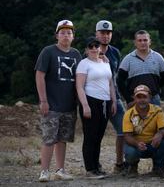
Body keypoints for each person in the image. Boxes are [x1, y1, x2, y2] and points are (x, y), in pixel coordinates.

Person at [35, 20, 82, 182]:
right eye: (62, 32)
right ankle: (44, 171)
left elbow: (80, 79)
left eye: (69, 33)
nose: (66, 35)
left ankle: (60, 170)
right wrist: (43, 100)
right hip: (51, 103)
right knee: (49, 138)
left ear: (73, 36)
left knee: (62, 138)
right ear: (57, 35)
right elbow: (39, 75)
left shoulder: (76, 54)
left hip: (69, 104)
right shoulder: (48, 52)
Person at [76, 37, 117, 178]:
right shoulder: (84, 64)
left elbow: (110, 83)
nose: (94, 49)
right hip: (90, 101)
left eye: (96, 46)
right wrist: (85, 105)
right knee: (90, 136)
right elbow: (79, 86)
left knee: (99, 137)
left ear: (100, 48)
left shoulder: (105, 62)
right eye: (90, 47)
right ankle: (90, 169)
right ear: (86, 50)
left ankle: (97, 166)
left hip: (105, 102)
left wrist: (114, 101)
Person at [95, 20, 127, 173]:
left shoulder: (115, 52)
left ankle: (119, 164)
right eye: (102, 33)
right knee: (96, 133)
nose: (105, 36)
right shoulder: (89, 51)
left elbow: (117, 77)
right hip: (96, 98)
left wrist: (120, 98)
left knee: (124, 130)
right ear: (96, 34)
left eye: (108, 33)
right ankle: (94, 165)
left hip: (115, 98)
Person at [123, 84, 164, 178]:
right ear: (134, 98)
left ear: (150, 97)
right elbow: (127, 136)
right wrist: (137, 144)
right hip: (137, 145)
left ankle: (159, 168)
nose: (142, 100)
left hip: (153, 144)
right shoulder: (128, 114)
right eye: (138, 97)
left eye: (144, 97)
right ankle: (132, 167)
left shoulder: (157, 110)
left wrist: (160, 134)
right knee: (129, 150)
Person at [117, 30, 164, 106]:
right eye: (140, 40)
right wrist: (128, 99)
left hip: (153, 99)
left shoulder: (158, 57)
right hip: (135, 99)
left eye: (145, 40)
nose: (142, 43)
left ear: (150, 42)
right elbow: (120, 81)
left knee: (155, 118)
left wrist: (154, 88)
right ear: (135, 42)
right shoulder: (128, 59)